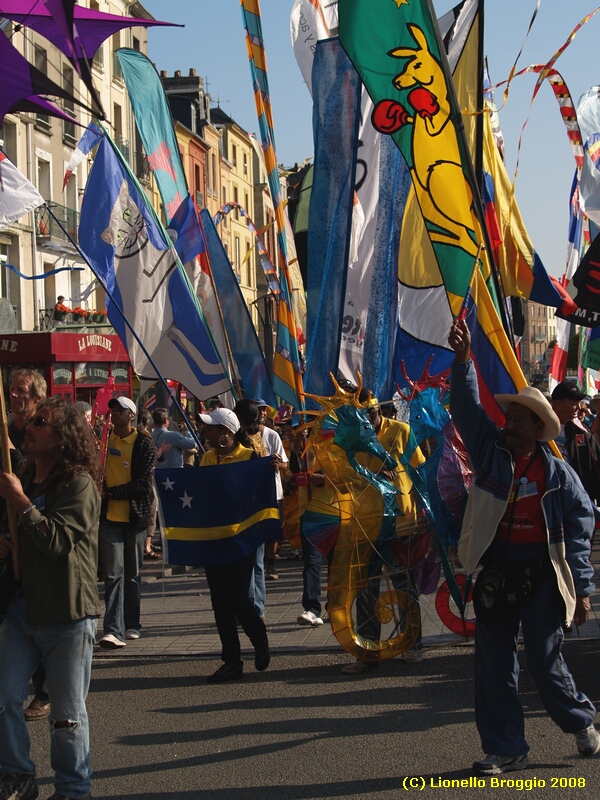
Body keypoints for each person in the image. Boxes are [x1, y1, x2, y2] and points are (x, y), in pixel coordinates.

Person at [448, 318, 598, 776]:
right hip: (496, 569)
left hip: (541, 575)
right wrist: (462, 360)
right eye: (507, 417)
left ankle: (581, 719)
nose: (507, 424)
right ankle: (506, 747)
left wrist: (583, 586)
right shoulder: (488, 449)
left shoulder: (555, 474)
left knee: (544, 660)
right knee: (492, 666)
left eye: (517, 420)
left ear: (536, 429)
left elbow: (581, 523)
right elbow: (465, 407)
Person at [0, 397, 101, 800]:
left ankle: (73, 789)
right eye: (32, 420)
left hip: (68, 612)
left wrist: (22, 504)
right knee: (4, 698)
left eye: (41, 422)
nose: (30, 426)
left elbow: (57, 540)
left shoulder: (79, 485)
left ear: (63, 439)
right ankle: (17, 775)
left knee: (66, 716)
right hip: (23, 610)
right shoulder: (23, 474)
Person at [342, 390, 426, 674]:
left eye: (372, 414)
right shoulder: (353, 438)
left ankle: (413, 645)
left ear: (381, 411)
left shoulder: (401, 431)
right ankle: (367, 654)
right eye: (362, 416)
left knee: (404, 585)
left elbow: (420, 470)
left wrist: (424, 511)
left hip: (401, 521)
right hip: (367, 523)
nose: (368, 420)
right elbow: (345, 475)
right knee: (366, 590)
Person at [198, 408, 270, 683]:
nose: (207, 432)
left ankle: (259, 637)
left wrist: (269, 470)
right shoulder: (205, 459)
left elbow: (259, 496)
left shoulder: (249, 458)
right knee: (219, 603)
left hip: (241, 539)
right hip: (213, 539)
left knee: (238, 597)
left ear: (226, 432)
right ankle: (231, 661)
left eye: (212, 429)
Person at [7, 368, 51, 722]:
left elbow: (35, 476)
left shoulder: (46, 430)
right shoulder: (7, 429)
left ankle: (45, 689)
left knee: (43, 619)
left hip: (37, 525)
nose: (15, 396)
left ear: (37, 396)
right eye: (11, 391)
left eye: (21, 391)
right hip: (11, 529)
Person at [97, 397, 156, 648]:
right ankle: (113, 630)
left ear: (132, 415)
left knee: (131, 575)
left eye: (121, 411)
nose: (115, 414)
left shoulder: (144, 443)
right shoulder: (104, 441)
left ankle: (132, 624)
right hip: (109, 519)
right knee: (113, 575)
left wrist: (110, 494)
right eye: (113, 410)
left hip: (134, 518)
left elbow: (143, 486)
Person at [551, 381, 600, 506]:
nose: (579, 407)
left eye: (578, 403)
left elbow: (595, 470)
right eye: (574, 403)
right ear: (558, 404)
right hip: (549, 499)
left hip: (577, 502)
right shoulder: (539, 431)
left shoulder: (582, 435)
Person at [255, 399, 288, 580]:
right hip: (253, 493)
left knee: (273, 531)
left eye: (264, 409)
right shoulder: (243, 436)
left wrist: (278, 465)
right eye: (259, 409)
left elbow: (285, 464)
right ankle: (256, 564)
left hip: (274, 492)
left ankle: (270, 565)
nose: (262, 413)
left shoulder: (272, 435)